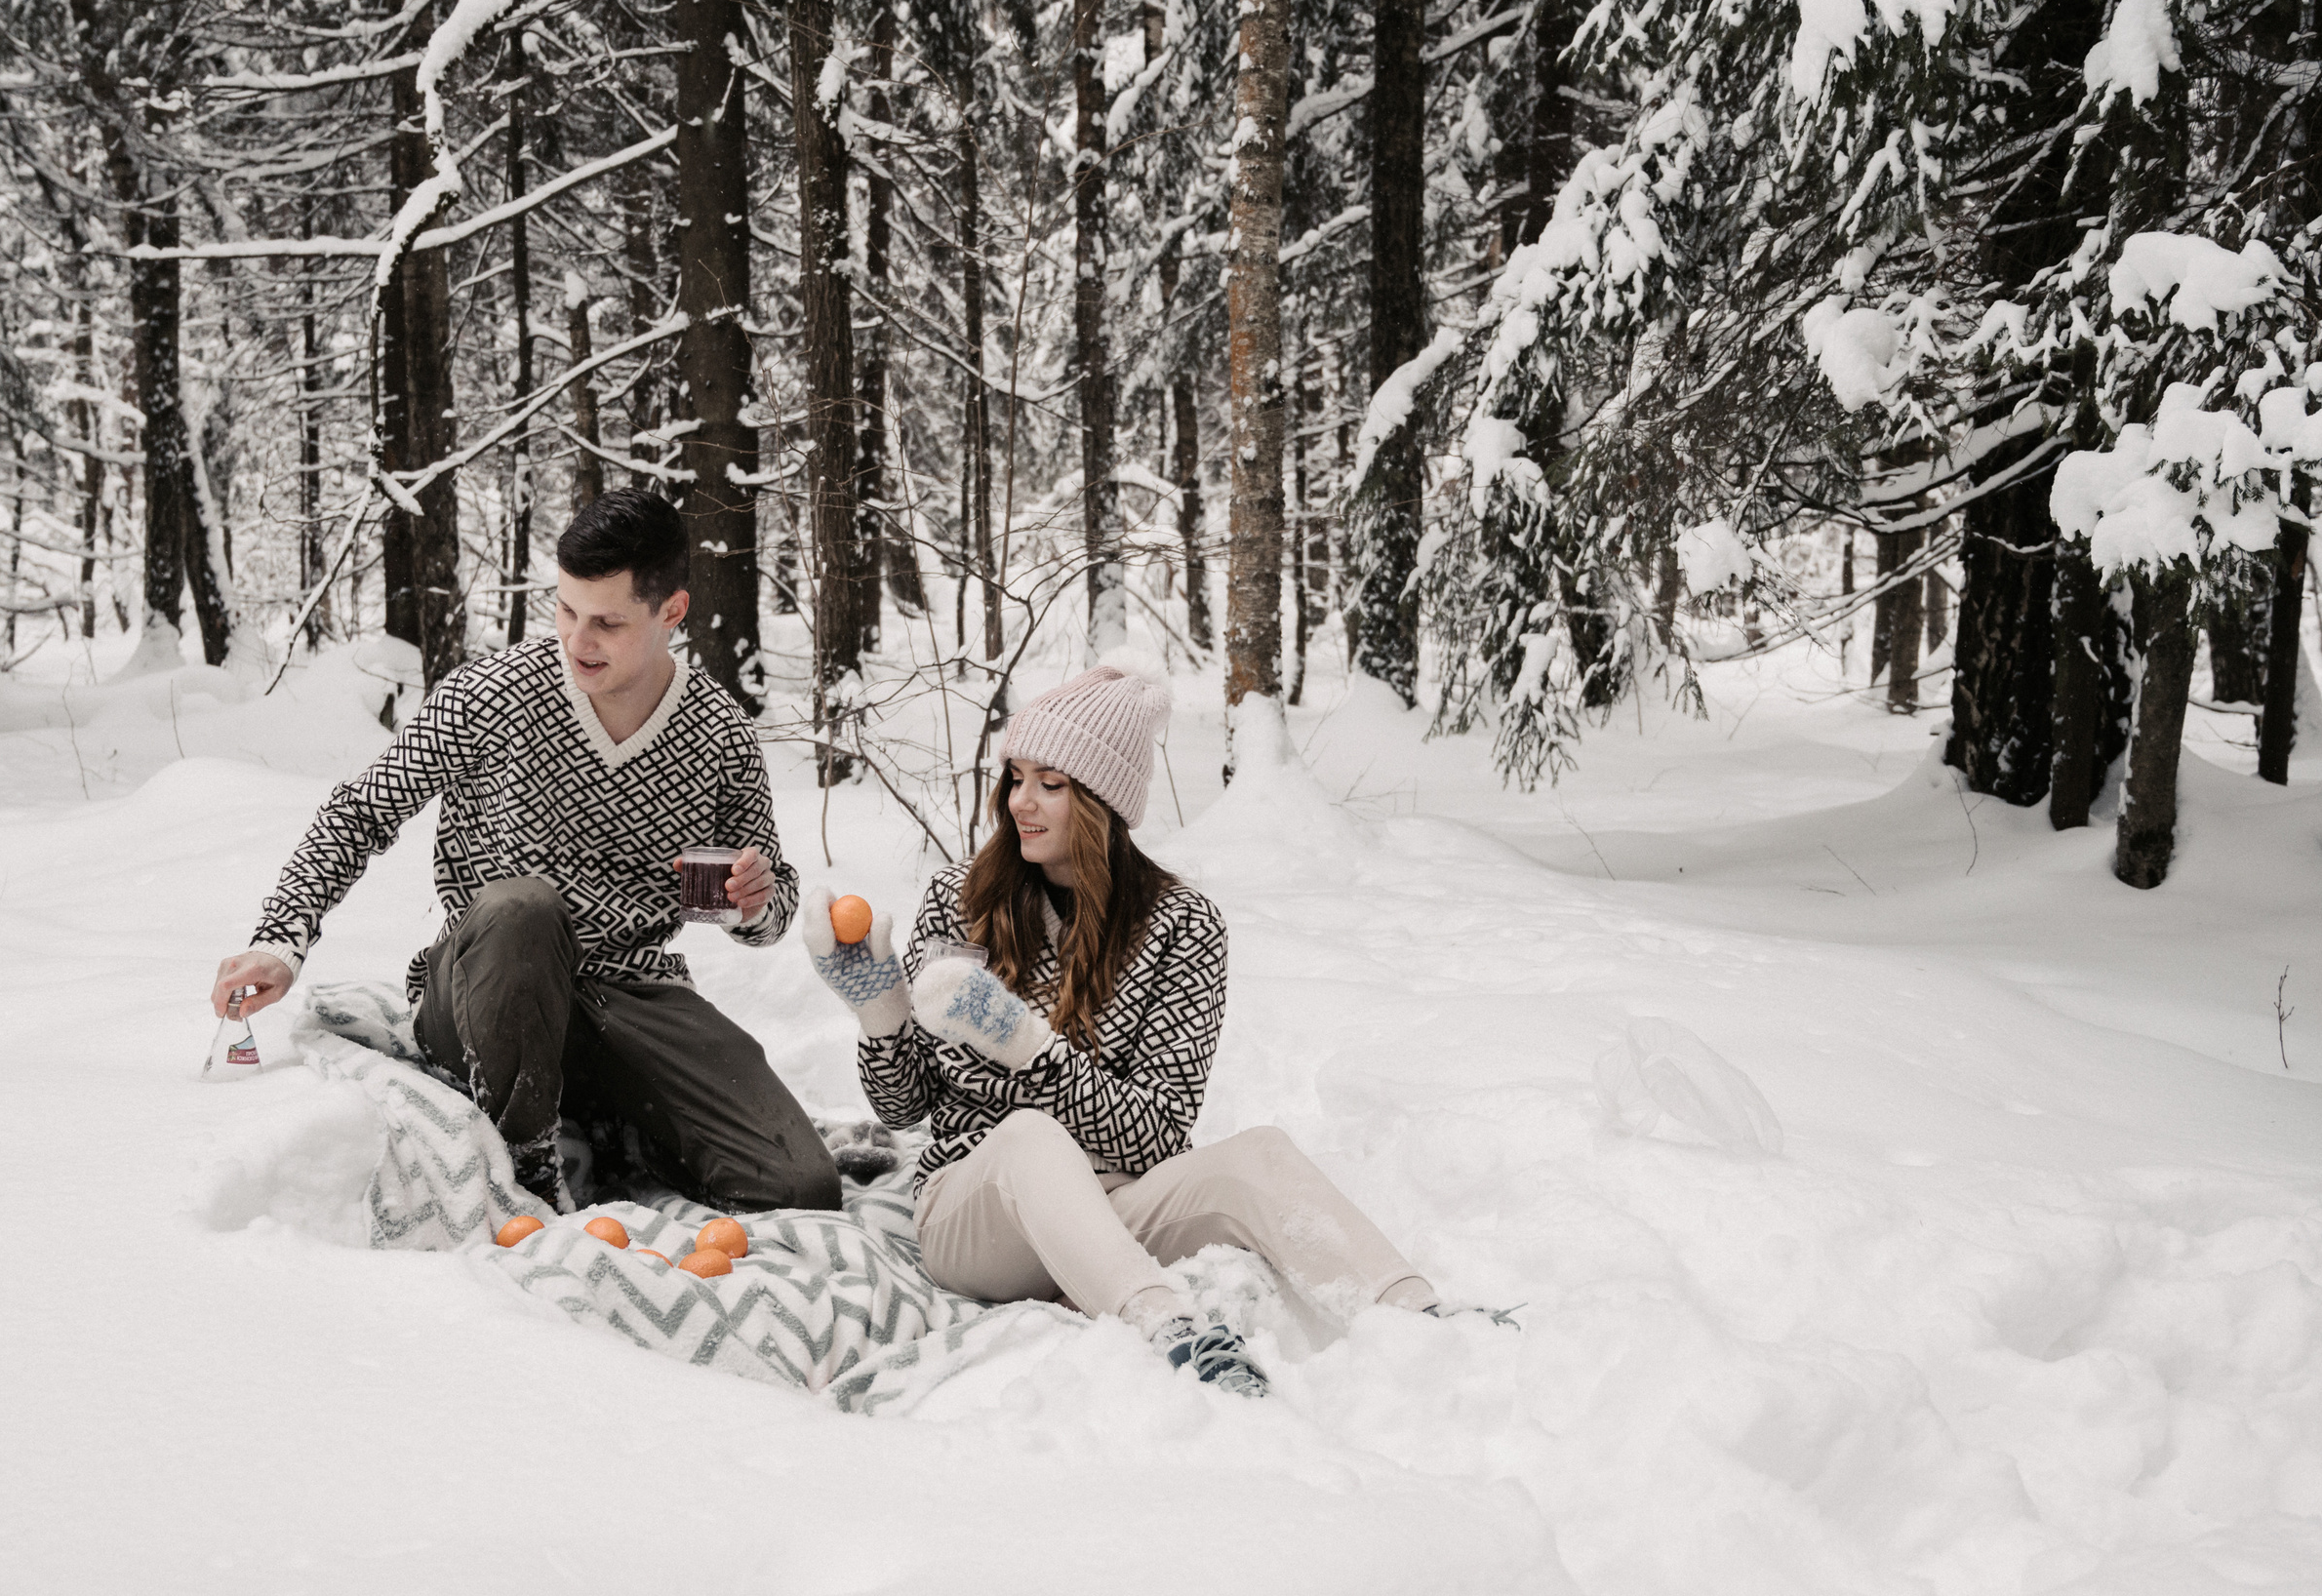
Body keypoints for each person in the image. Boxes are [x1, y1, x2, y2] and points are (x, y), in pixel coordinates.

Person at [801, 662, 1501, 1398]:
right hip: (976, 1215)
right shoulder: (960, 899)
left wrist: (1030, 1051)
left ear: (1101, 800)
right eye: (1015, 778)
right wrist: (881, 1014)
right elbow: (905, 1106)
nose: (1020, 802)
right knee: (1030, 1137)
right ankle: (1174, 1331)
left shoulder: (1182, 925)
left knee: (1258, 1152)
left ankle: (1417, 1314)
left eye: (1051, 783)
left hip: (1113, 1209)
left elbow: (1159, 1138)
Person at [212, 488, 836, 1215]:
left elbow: (765, 906)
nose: (577, 640)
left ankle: (607, 1127)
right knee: (524, 907)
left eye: (607, 622)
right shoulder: (490, 695)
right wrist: (281, 940)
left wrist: (751, 904)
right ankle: (527, 1172)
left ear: (671, 611)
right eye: (566, 610)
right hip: (483, 991)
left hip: (629, 994)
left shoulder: (719, 735)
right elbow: (359, 812)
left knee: (800, 1184)